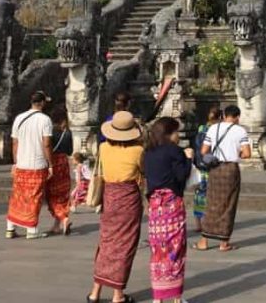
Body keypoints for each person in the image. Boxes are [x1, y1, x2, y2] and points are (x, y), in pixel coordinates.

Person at [89, 110, 145, 303]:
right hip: (128, 198)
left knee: (106, 242)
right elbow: (143, 172)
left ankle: (95, 292)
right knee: (124, 246)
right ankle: (117, 294)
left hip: (109, 197)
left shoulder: (104, 147)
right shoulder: (138, 151)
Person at [145, 117, 194, 303]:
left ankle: (158, 298)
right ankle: (176, 297)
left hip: (155, 207)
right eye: (176, 132)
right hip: (172, 204)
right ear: (168, 133)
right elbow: (181, 175)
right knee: (175, 248)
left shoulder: (149, 152)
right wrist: (188, 159)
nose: (178, 136)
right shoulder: (175, 151)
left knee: (158, 250)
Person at [195, 104, 251, 252]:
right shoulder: (240, 131)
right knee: (229, 205)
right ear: (237, 117)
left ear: (224, 115)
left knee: (211, 202)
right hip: (230, 170)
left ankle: (203, 241)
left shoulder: (213, 128)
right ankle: (223, 243)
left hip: (215, 168)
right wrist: (235, 153)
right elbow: (247, 154)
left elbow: (203, 150)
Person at [6, 91, 54, 240]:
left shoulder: (19, 118)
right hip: (37, 164)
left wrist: (15, 162)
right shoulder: (45, 120)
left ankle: (10, 227)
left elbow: (15, 142)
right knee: (34, 196)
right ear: (42, 103)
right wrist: (50, 164)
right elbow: (46, 144)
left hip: (21, 163)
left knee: (18, 195)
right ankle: (31, 229)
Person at [192, 107, 220, 243]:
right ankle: (209, 221)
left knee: (199, 193)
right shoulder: (216, 130)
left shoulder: (201, 128)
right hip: (211, 165)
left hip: (199, 165)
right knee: (212, 193)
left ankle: (198, 222)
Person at [45, 110, 74, 235]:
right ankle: (58, 224)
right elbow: (69, 151)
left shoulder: (49, 133)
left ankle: (63, 218)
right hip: (63, 162)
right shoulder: (67, 133)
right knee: (62, 193)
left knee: (51, 193)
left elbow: (46, 147)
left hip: (52, 162)